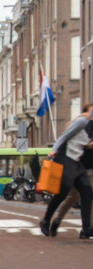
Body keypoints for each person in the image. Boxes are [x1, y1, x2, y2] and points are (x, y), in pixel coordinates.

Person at [39, 101, 93, 239]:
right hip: (65, 157)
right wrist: (54, 150)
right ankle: (46, 220)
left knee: (87, 191)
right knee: (63, 193)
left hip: (76, 161)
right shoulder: (82, 121)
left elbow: (85, 142)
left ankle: (87, 228)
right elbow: (65, 135)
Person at [48, 145, 93, 235]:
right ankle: (57, 220)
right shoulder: (79, 132)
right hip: (77, 170)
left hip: (90, 170)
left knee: (90, 197)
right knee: (72, 197)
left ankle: (88, 228)